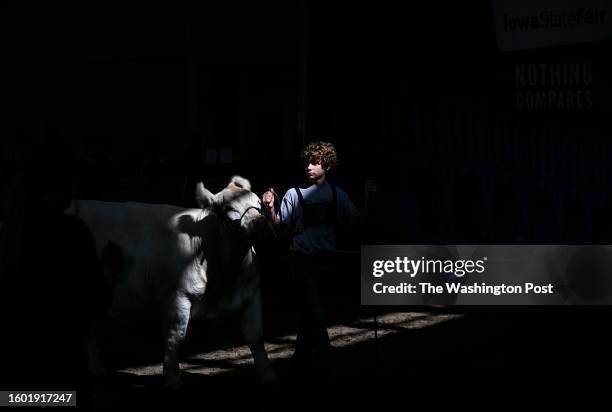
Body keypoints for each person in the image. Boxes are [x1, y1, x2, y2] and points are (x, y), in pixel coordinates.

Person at [261, 141, 375, 382]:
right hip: (301, 262)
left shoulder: (336, 194)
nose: (308, 167)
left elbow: (356, 223)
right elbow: (280, 230)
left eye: (314, 162)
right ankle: (328, 364)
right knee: (316, 313)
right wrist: (270, 209)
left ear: (327, 165)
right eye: (306, 163)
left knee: (309, 315)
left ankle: (299, 363)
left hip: (327, 262)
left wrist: (369, 197)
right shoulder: (294, 194)